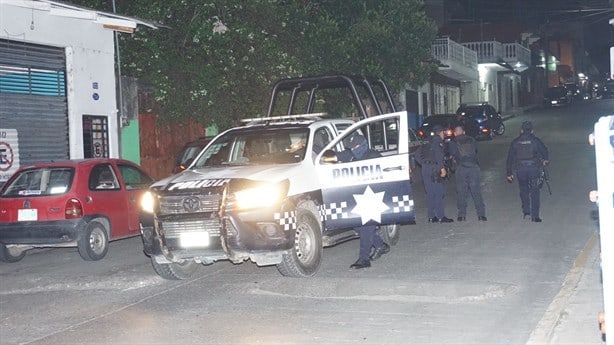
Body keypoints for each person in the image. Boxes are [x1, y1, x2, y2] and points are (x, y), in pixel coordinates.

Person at [337, 134, 390, 270]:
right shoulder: (350, 155)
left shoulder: (374, 156)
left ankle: (364, 258)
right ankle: (380, 245)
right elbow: (331, 156)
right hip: (357, 198)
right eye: (352, 147)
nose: (354, 149)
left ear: (363, 145)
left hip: (372, 197)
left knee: (366, 228)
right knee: (357, 226)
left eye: (356, 146)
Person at [506, 121, 549, 222]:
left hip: (520, 170)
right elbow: (544, 151)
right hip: (533, 169)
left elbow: (510, 158)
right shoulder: (535, 140)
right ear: (532, 131)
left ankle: (526, 212)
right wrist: (545, 160)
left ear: (521, 130)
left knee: (524, 190)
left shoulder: (515, 141)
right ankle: (535, 216)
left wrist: (509, 173)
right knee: (535, 191)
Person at [415, 125, 454, 223]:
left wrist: (424, 163)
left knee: (430, 193)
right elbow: (439, 156)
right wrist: (442, 168)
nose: (444, 135)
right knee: (438, 192)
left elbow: (417, 155)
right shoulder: (438, 142)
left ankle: (431, 216)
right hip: (435, 169)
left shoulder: (426, 142)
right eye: (443, 133)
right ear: (440, 133)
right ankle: (441, 216)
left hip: (425, 169)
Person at [448, 125, 487, 222]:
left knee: (461, 192)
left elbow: (452, 154)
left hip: (461, 168)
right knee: (476, 192)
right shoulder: (472, 140)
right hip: (474, 167)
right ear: (464, 132)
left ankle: (462, 215)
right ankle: (481, 215)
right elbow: (475, 150)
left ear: (455, 133)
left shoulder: (453, 142)